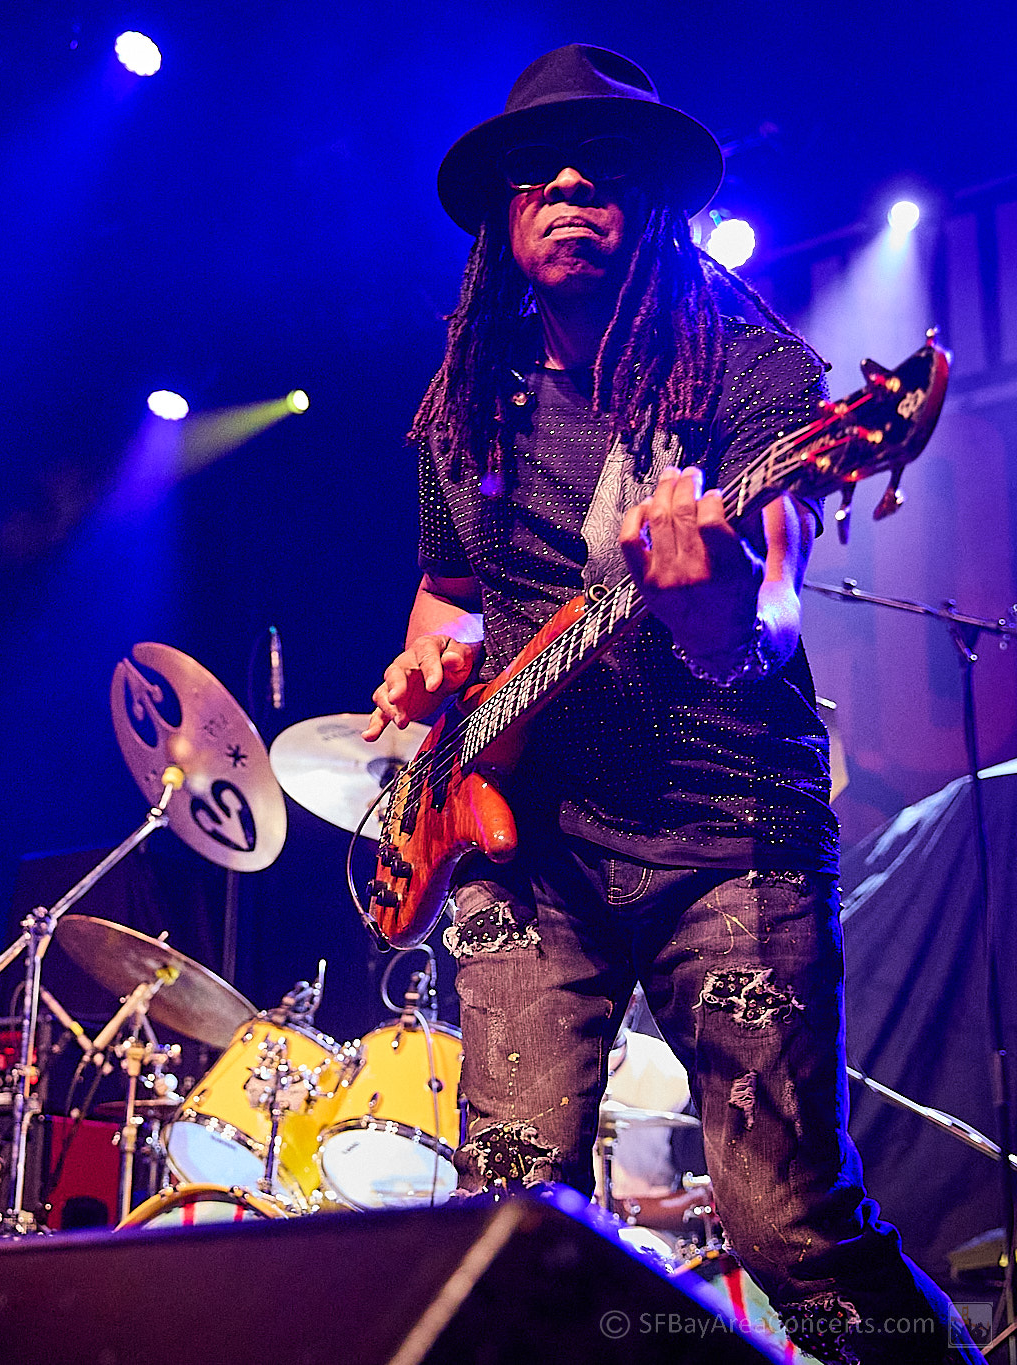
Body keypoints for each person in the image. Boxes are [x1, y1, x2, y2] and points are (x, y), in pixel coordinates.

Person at [365, 45, 979, 1363]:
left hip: (726, 839)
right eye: (541, 166)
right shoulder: (464, 403)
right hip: (530, 850)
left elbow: (769, 618)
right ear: (503, 214)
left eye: (610, 165)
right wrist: (431, 666)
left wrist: (700, 599)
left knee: (787, 1226)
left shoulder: (755, 377)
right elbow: (450, 594)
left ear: (654, 201)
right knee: (511, 1214)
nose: (574, 179)